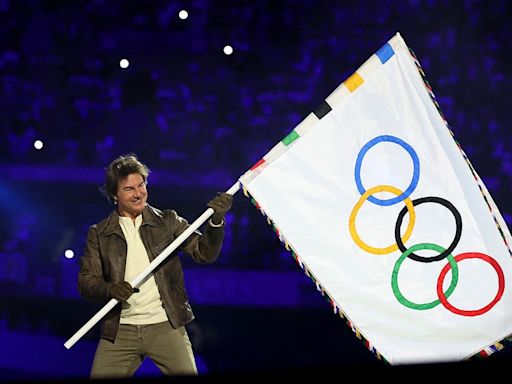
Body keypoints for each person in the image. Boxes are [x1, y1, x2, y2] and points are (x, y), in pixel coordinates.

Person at [77, 153, 233, 378]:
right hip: (120, 330)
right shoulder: (99, 233)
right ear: (114, 195)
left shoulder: (168, 221)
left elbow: (204, 253)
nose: (138, 193)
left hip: (165, 325)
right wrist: (110, 289)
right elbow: (86, 281)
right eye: (129, 189)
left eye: (141, 185)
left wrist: (217, 221)